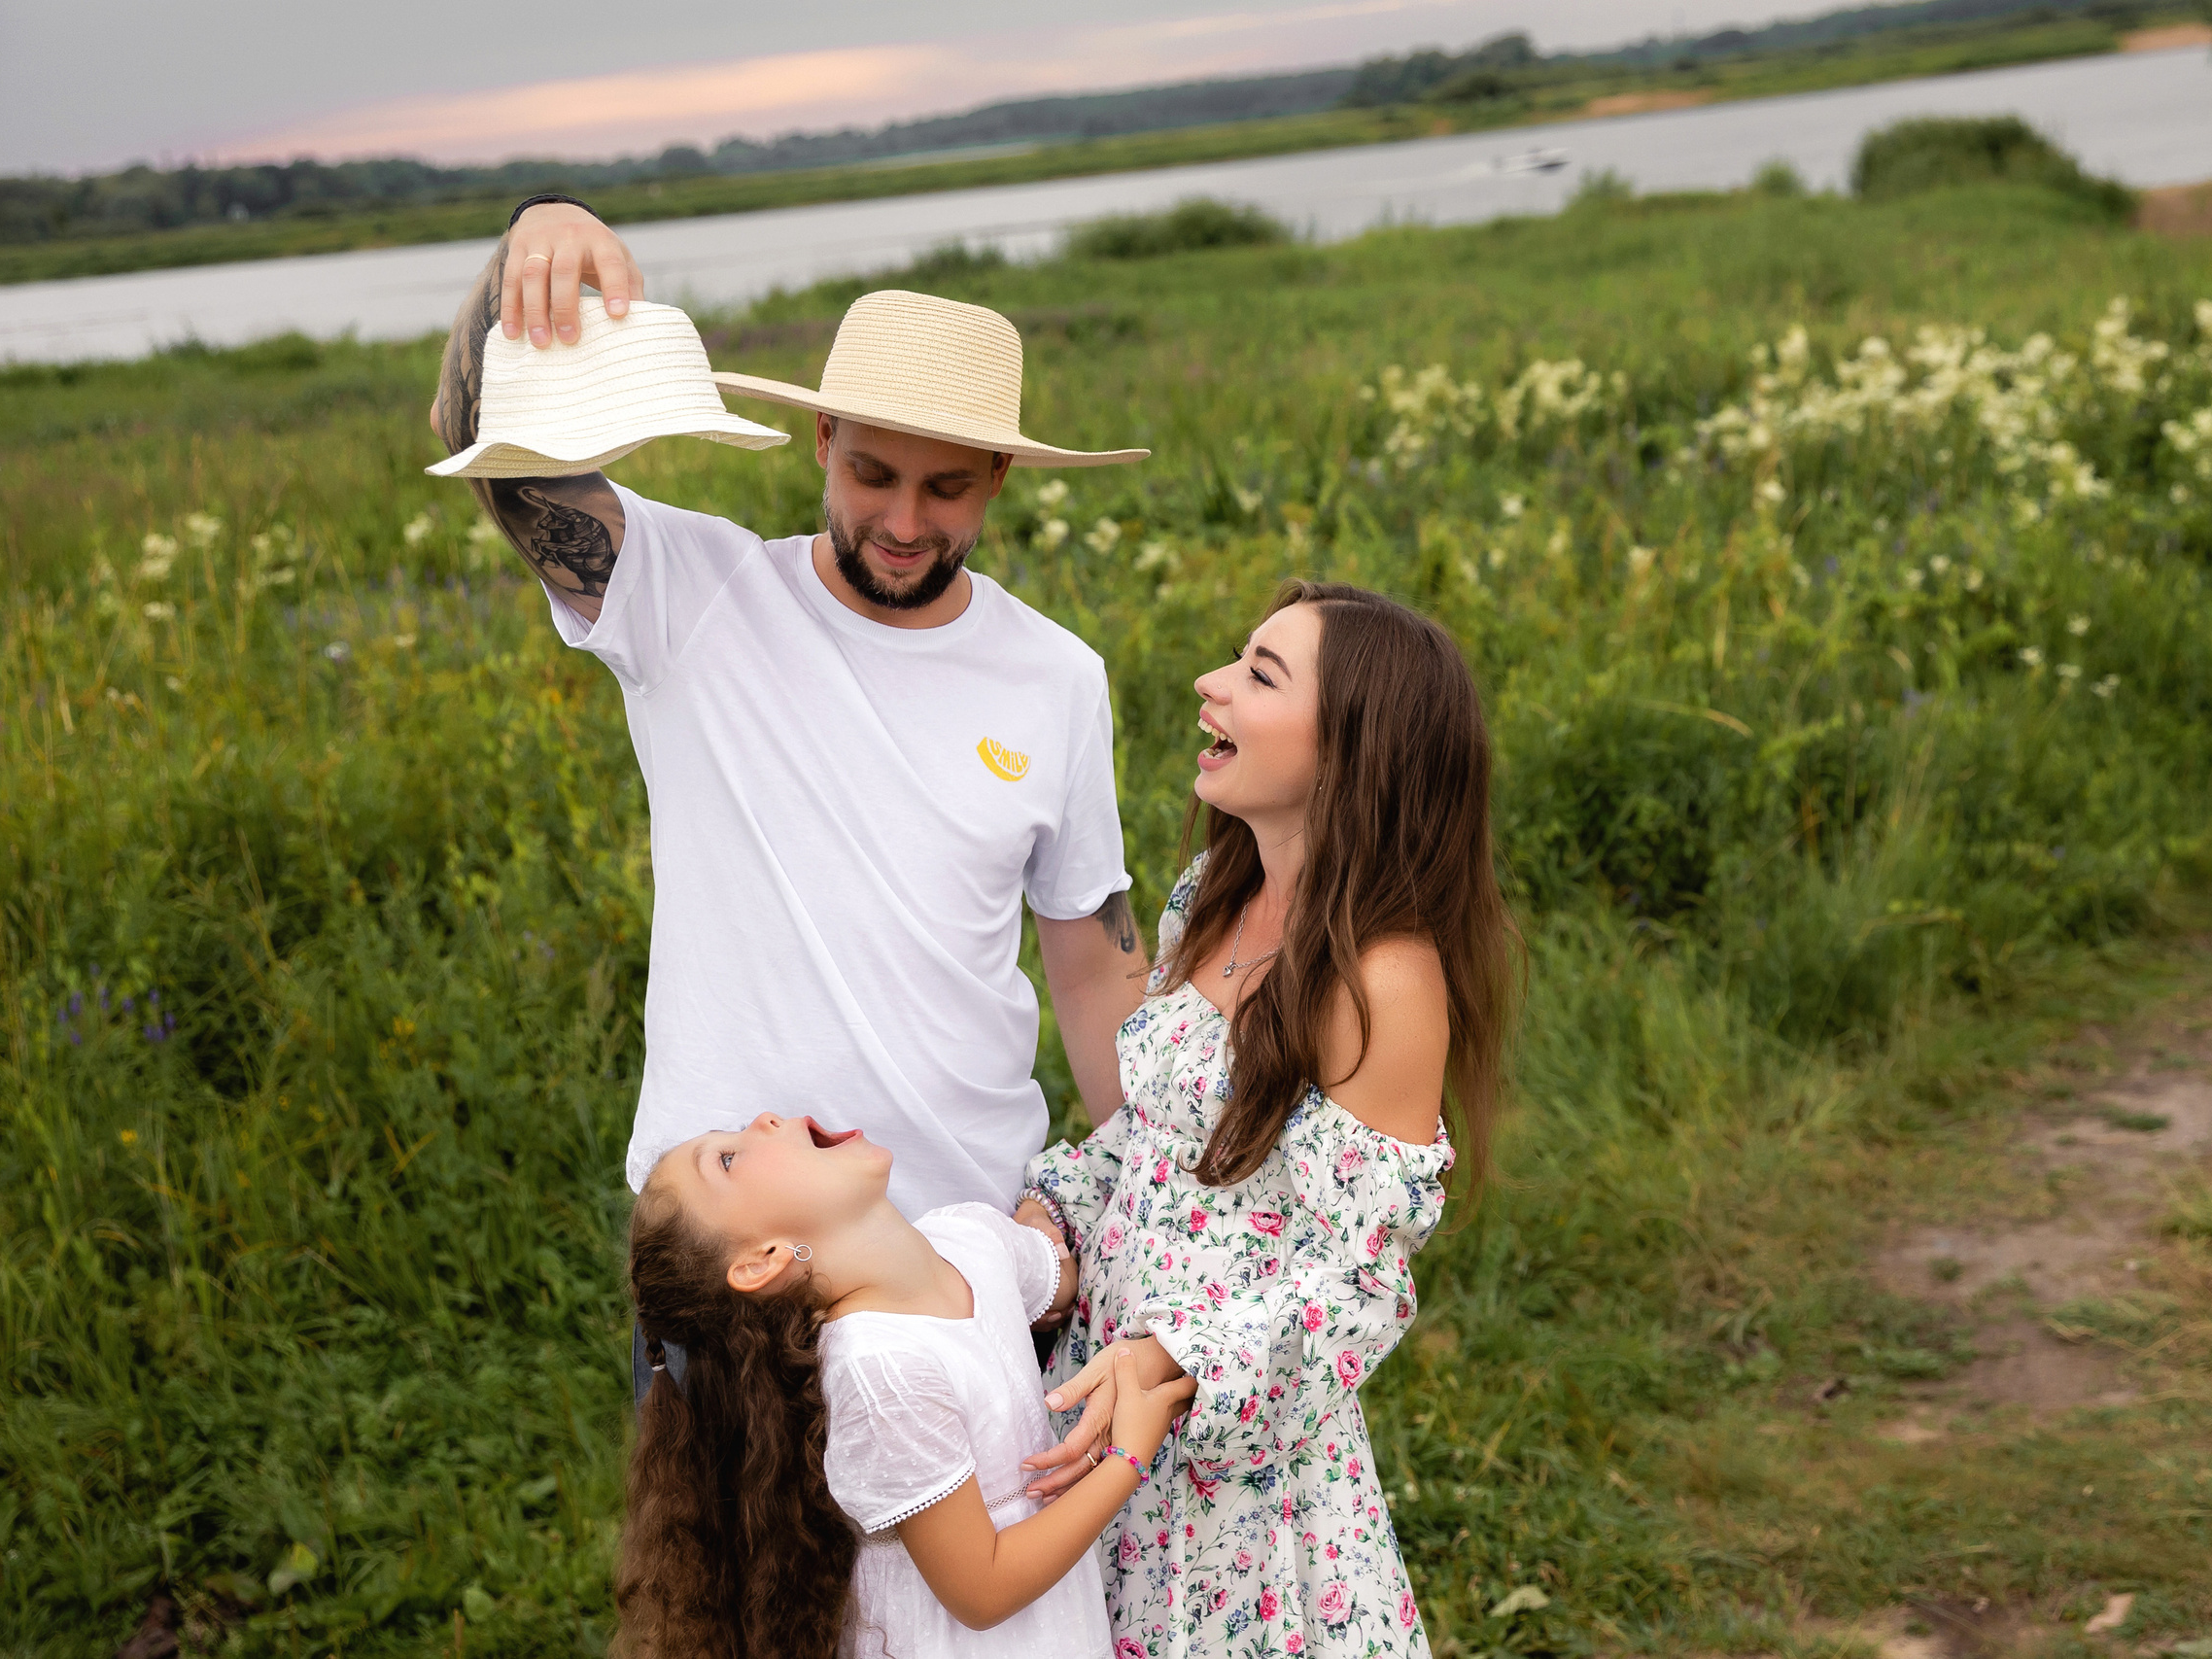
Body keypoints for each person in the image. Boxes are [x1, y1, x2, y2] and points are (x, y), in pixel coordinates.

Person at [429, 201, 1155, 1385]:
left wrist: (1169, 1194)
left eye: (947, 488)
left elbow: (1090, 964)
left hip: (965, 1259)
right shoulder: (692, 596)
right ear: (821, 439)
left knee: (984, 1524)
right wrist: (535, 236)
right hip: (728, 1263)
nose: (905, 523)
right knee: (718, 1522)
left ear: (1000, 478)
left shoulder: (1057, 676)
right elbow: (491, 447)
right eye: (872, 473)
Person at [1019, 581, 1518, 1659]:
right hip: (1100, 1405)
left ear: (1352, 748)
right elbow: (1160, 1143)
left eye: (1259, 674)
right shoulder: (1212, 894)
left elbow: (1359, 1283)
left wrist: (1176, 1357)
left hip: (1230, 1482)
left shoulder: (1382, 979)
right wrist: (1045, 1221)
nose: (1211, 684)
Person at [618, 1109, 1195, 1658]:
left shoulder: (968, 1236)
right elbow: (982, 1589)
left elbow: (1060, 1280)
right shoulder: (879, 1369)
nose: (764, 1120)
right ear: (762, 1259)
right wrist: (1128, 1456)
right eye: (726, 1159)